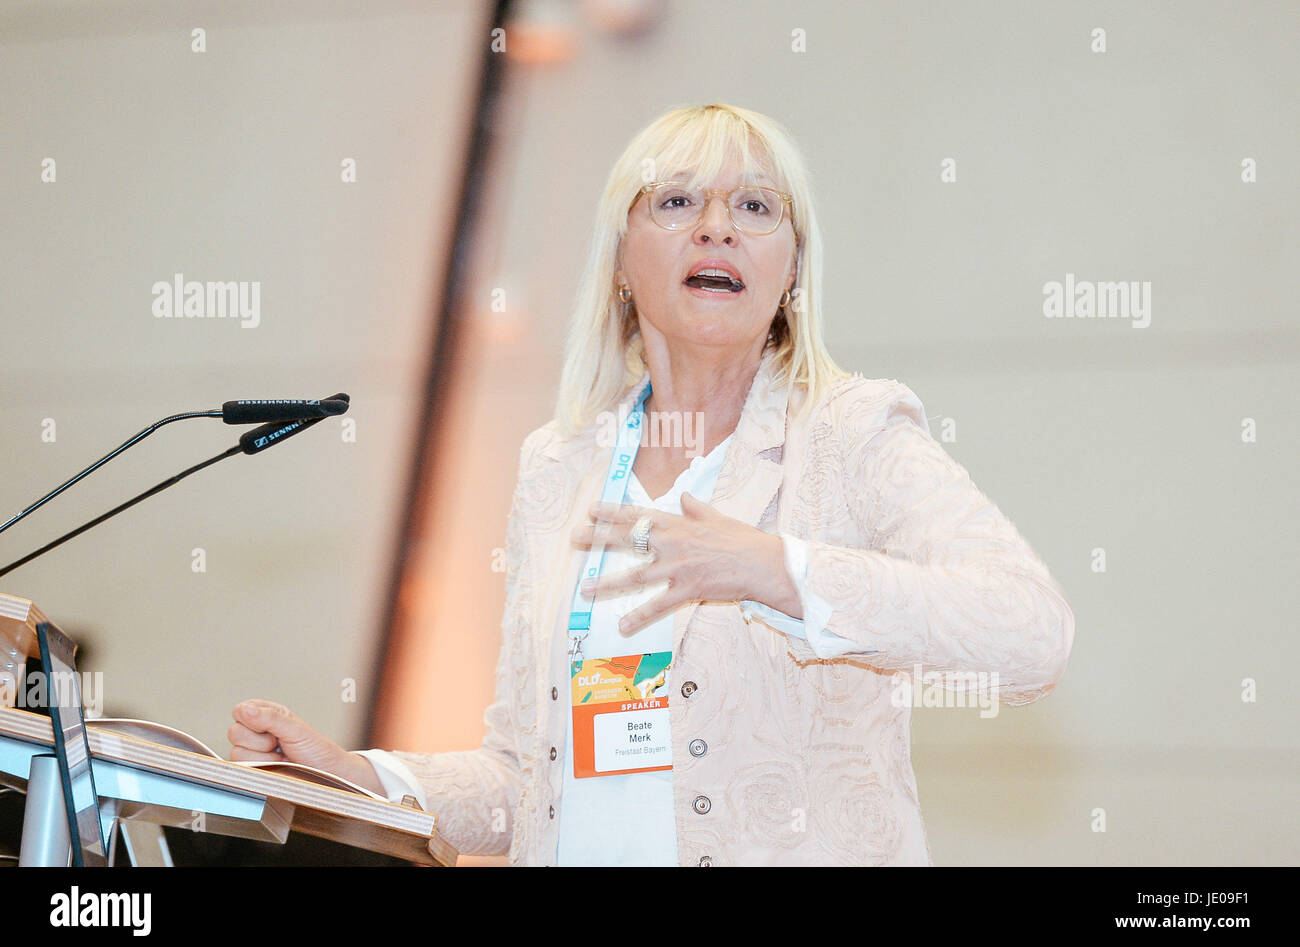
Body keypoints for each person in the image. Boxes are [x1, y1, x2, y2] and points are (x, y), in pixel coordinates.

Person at [229, 103, 1075, 866]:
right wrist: (358, 780)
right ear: (621, 262)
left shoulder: (852, 435)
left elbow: (1031, 633)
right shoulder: (558, 467)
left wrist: (780, 569)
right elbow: (525, 779)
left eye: (755, 207)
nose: (718, 229)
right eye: (676, 203)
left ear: (792, 275)